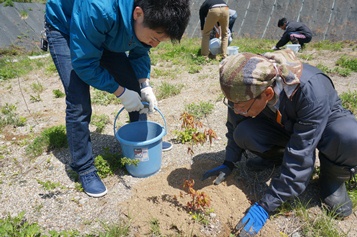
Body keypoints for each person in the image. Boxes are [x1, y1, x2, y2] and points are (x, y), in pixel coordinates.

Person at [44, 0, 191, 198]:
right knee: (79, 102)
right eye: (155, 38)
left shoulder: (147, 14)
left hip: (102, 25)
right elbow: (85, 63)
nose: (155, 44)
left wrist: (144, 84)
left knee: (132, 82)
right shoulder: (99, 8)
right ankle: (84, 167)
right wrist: (119, 91)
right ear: (138, 14)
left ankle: (143, 139)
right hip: (66, 24)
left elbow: (140, 51)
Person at [203, 49, 357, 236]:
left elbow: (301, 156)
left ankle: (332, 179)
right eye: (233, 104)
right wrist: (229, 162)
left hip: (323, 123)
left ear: (267, 93)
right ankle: (277, 156)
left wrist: (266, 205)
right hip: (285, 122)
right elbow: (235, 124)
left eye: (242, 107)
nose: (237, 110)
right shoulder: (244, 83)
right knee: (245, 133)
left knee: (348, 135)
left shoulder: (309, 91)